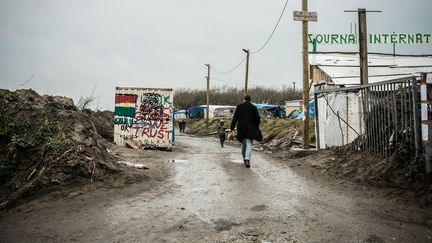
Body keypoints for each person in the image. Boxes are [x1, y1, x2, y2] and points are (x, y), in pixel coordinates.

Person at [230, 95, 262, 168]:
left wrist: (232, 128)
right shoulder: (253, 107)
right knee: (248, 143)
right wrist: (255, 126)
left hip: (241, 128)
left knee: (244, 143)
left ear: (244, 99)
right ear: (250, 100)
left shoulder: (239, 107)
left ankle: (246, 158)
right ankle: (246, 159)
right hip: (251, 129)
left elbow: (235, 118)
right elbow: (258, 119)